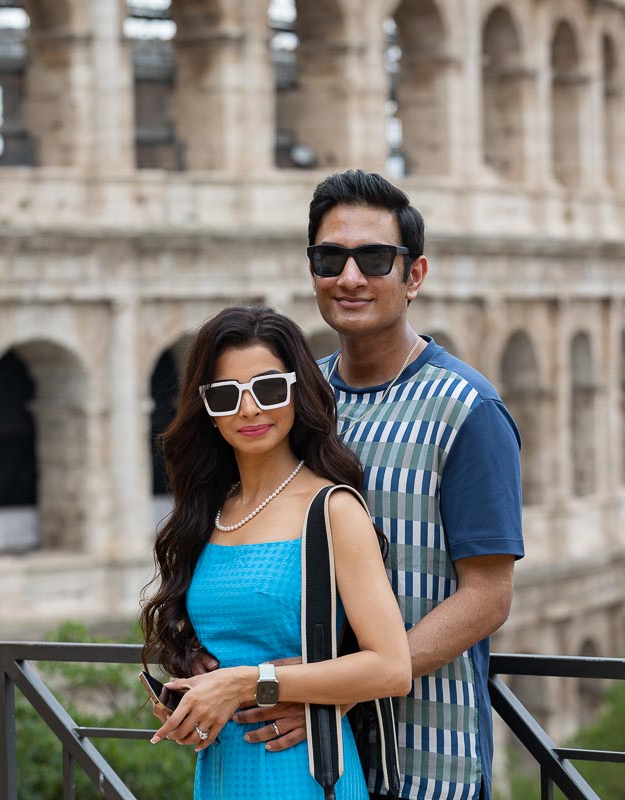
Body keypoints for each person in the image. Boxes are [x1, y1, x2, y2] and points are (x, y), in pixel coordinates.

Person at [234, 170, 525, 800]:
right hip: (301, 757)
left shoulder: (467, 408)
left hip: (427, 757)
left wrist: (342, 685)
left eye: (374, 258)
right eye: (329, 257)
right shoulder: (293, 397)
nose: (350, 277)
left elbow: (487, 597)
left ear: (414, 275)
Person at [140, 306, 412, 800]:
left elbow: (391, 668)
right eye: (227, 395)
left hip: (304, 773)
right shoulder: (209, 512)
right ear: (207, 408)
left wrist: (250, 683)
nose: (248, 410)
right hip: (222, 771)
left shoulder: (331, 508)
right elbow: (227, 652)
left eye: (267, 389)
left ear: (297, 391)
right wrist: (194, 696)